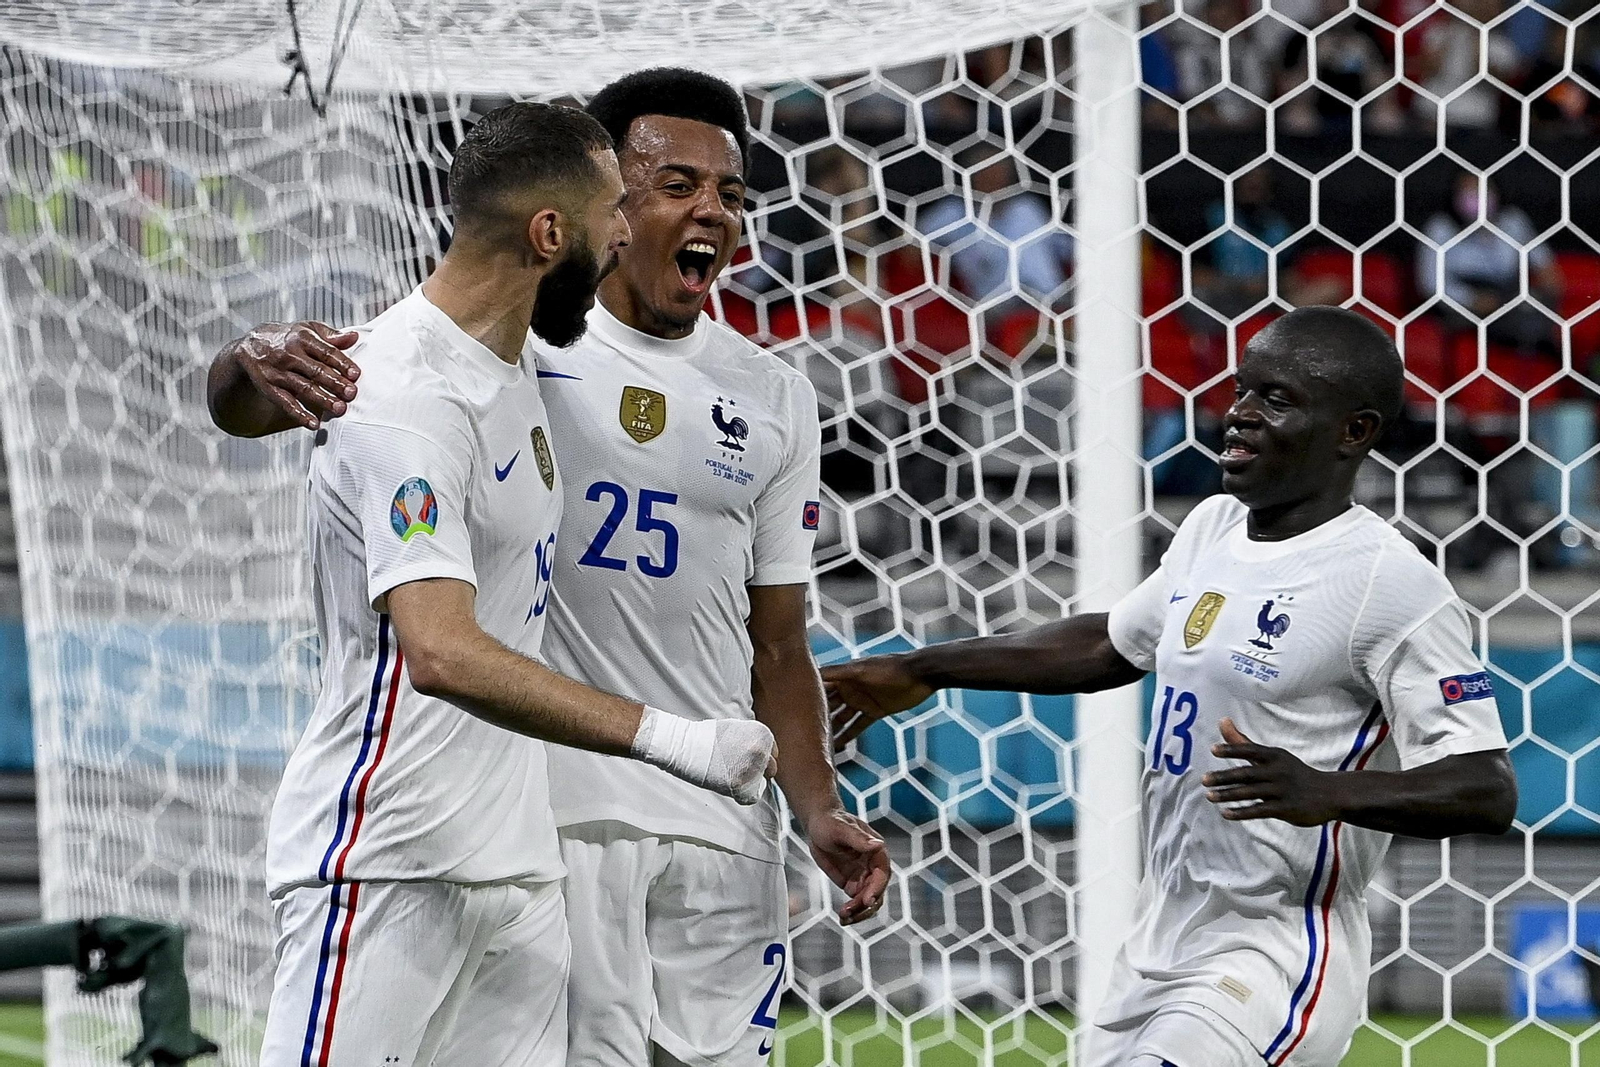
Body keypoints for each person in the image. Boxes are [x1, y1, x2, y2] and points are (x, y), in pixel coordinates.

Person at [207, 71, 891, 1067]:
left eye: (732, 193)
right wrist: (241, 360)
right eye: (640, 195)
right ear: (560, 226)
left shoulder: (735, 389)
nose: (693, 216)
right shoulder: (456, 369)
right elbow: (431, 631)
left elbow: (776, 632)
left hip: (569, 850)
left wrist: (812, 800)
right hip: (458, 835)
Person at [824, 307, 1518, 1067]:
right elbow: (1108, 643)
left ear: (1353, 432)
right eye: (1243, 389)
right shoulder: (1213, 526)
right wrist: (923, 668)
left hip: (1275, 952)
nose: (1241, 414)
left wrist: (1330, 790)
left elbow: (1486, 786)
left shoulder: (1391, 584)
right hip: (1160, 939)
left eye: (1276, 400)